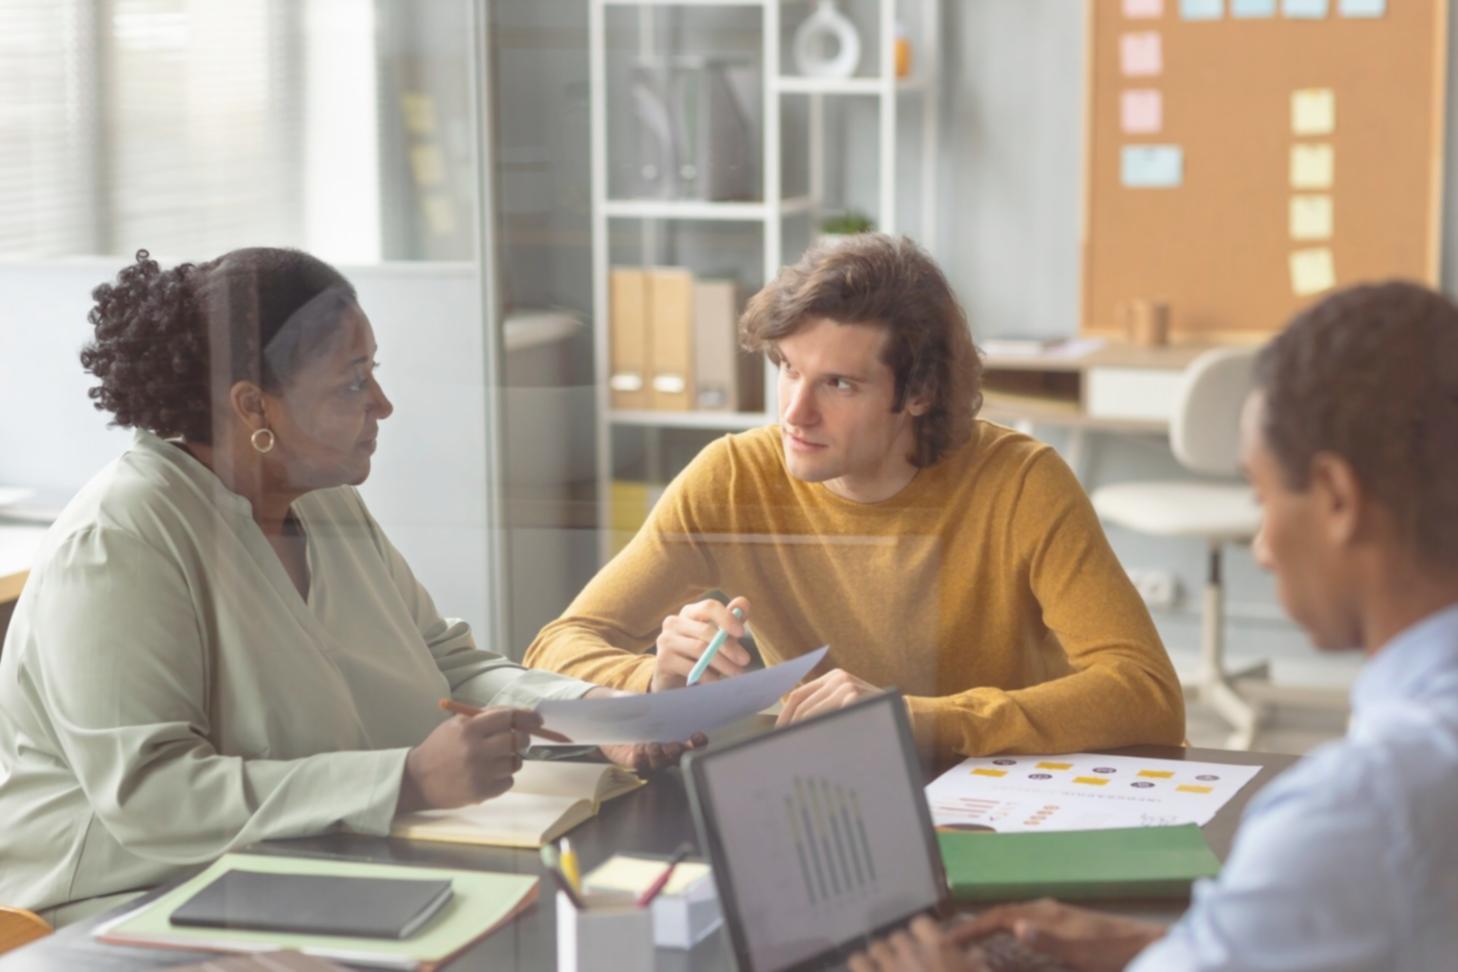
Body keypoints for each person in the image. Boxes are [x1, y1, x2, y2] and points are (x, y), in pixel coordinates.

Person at [0, 248, 694, 926]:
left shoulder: (322, 500)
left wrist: (604, 715)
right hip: (118, 911)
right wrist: (408, 781)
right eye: (352, 382)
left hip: (297, 872)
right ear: (253, 407)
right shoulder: (121, 540)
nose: (383, 405)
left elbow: (443, 662)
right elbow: (151, 799)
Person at [849, 280, 1458, 972]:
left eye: (1262, 497)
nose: (1260, 546)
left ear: (1337, 499)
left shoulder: (1357, 810)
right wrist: (1166, 949)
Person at [526, 235, 1184, 765]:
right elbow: (556, 648)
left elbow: (1146, 694)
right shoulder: (733, 477)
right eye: (788, 368)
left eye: (839, 384)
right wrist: (656, 684)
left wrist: (916, 719)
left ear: (919, 394)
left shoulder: (1020, 483)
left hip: (992, 788)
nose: (796, 413)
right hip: (826, 787)